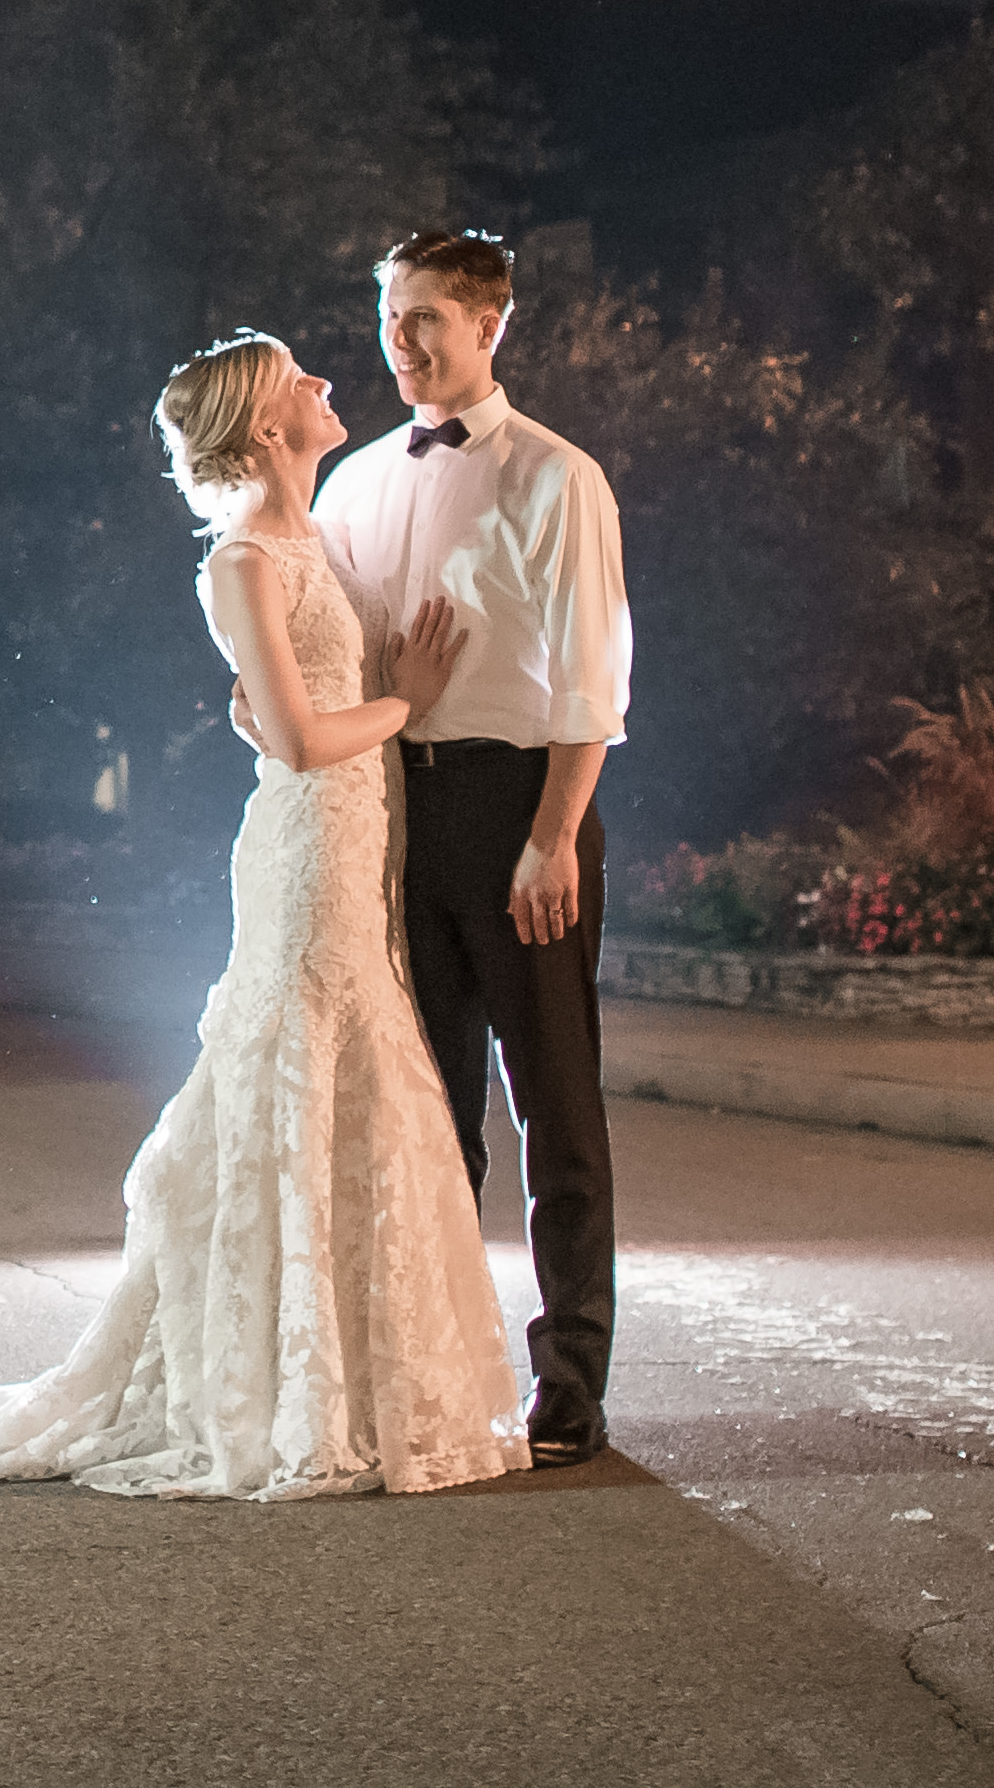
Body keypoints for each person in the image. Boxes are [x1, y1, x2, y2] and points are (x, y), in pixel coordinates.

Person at [0, 331, 524, 1502]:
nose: (323, 385)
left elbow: (293, 706)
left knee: (364, 1078)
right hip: (309, 848)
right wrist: (404, 699)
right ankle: (282, 1386)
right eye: (299, 379)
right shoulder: (243, 562)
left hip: (370, 836)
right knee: (304, 1069)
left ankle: (366, 1377)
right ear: (265, 425)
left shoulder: (322, 538)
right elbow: (305, 739)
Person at [314, 226, 630, 1468]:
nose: (400, 341)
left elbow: (592, 685)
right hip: (398, 809)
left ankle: (571, 1386)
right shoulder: (356, 485)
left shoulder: (559, 480)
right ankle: (437, 1372)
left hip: (519, 812)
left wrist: (552, 837)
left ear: (489, 323)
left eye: (424, 318)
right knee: (428, 1111)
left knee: (555, 1105)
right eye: (389, 318)